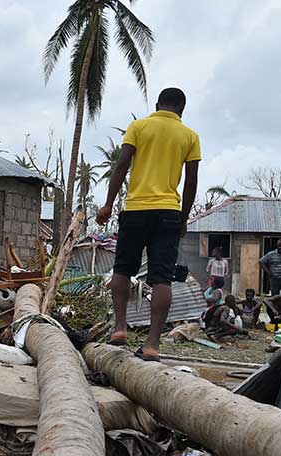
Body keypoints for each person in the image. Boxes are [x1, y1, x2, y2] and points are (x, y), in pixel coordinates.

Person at [95, 88, 201, 362]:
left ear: (157, 105)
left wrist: (108, 204)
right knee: (161, 278)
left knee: (122, 269)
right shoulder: (190, 136)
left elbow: (121, 166)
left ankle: (120, 329)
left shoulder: (138, 126)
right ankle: (152, 344)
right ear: (182, 109)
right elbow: (191, 182)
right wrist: (183, 217)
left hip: (136, 210)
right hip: (168, 213)